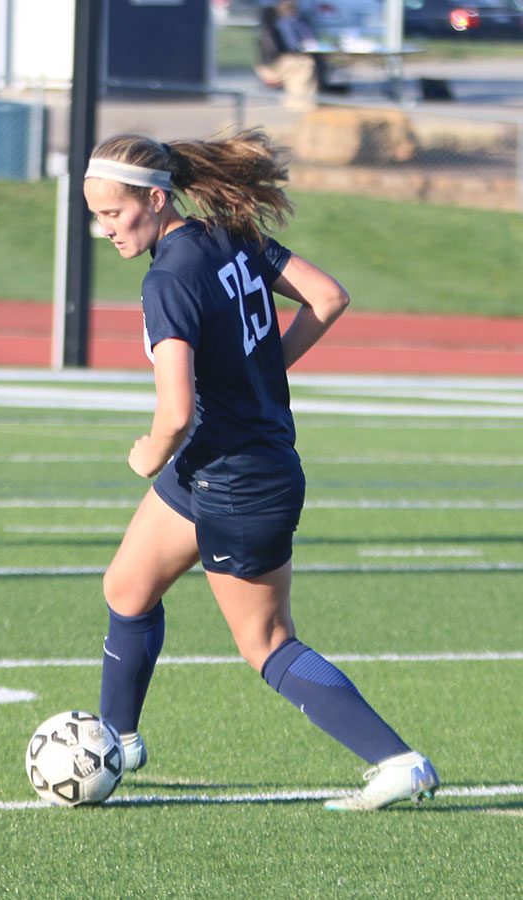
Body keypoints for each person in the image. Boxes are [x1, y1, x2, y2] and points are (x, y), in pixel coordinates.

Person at [83, 129, 440, 811]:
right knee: (128, 586)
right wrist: (259, 370)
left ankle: (399, 762)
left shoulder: (168, 278)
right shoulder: (226, 235)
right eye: (95, 215)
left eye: (113, 214)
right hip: (217, 463)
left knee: (268, 644)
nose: (105, 230)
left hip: (239, 481)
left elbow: (175, 411)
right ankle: (118, 740)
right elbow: (327, 297)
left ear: (156, 200)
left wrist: (147, 454)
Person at [255, 0, 320, 110]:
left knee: (305, 62)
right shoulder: (285, 23)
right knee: (304, 64)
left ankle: (303, 101)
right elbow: (293, 45)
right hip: (276, 63)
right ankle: (297, 102)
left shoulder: (282, 22)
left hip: (278, 60)